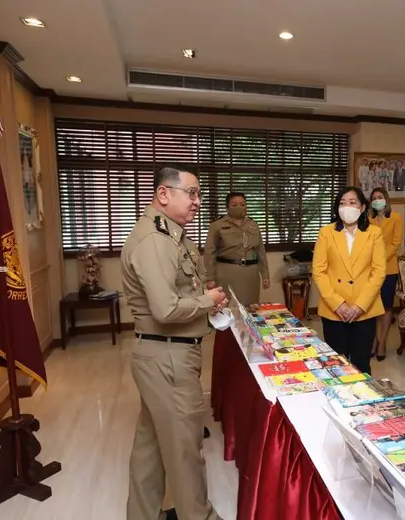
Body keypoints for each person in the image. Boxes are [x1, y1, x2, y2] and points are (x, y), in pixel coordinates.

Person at [122, 165, 228, 520]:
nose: (198, 201)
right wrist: (208, 301)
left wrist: (205, 299)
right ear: (164, 194)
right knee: (185, 450)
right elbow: (166, 309)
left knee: (151, 448)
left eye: (199, 194)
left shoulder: (171, 235)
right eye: (192, 193)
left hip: (163, 352)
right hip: (167, 354)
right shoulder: (155, 240)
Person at [312, 186, 386, 374]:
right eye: (342, 203)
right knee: (336, 365)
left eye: (352, 202)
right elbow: (319, 271)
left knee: (361, 364)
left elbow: (378, 272)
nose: (347, 207)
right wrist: (338, 304)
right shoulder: (326, 232)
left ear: (362, 208)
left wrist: (360, 306)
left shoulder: (374, 233)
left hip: (364, 309)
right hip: (334, 310)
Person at [203, 192, 269, 305]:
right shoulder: (217, 225)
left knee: (251, 307)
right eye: (234, 205)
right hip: (226, 272)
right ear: (227, 207)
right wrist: (210, 278)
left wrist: (265, 275)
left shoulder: (253, 225)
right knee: (224, 306)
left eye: (242, 204)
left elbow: (260, 252)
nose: (239, 207)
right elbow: (209, 252)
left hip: (250, 274)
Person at [368, 187, 403, 361]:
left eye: (380, 197)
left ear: (386, 199)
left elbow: (396, 243)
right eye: (374, 198)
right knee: (374, 308)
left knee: (387, 308)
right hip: (371, 270)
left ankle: (382, 343)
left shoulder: (395, 218)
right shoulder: (368, 219)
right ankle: (374, 341)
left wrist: (381, 258)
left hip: (389, 269)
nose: (377, 200)